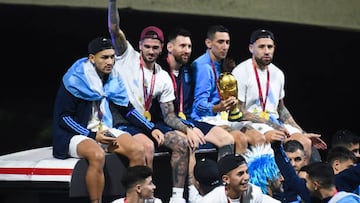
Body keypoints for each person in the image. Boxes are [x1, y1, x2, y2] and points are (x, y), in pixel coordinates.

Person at [52, 37, 163, 203]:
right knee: (96, 154)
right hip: (75, 133)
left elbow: (127, 109)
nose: (110, 61)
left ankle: (133, 200)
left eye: (112, 57)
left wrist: (151, 128)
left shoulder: (113, 77)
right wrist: (92, 135)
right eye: (104, 57)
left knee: (137, 150)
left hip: (104, 129)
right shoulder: (75, 79)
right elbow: (64, 118)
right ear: (92, 58)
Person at [108, 1, 199, 202]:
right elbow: (114, 29)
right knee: (147, 146)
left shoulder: (163, 77)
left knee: (182, 143)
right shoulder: (126, 57)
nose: (150, 51)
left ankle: (177, 197)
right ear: (140, 45)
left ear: (161, 49)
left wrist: (186, 129)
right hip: (124, 121)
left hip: (147, 123)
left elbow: (169, 116)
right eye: (147, 46)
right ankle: (146, 198)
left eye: (155, 47)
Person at [231, 29, 327, 162]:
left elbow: (281, 109)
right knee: (271, 137)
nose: (266, 51)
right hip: (249, 122)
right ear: (251, 48)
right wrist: (272, 125)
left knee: (305, 142)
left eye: (270, 47)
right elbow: (238, 111)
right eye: (261, 47)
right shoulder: (241, 71)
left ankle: (302, 181)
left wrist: (302, 131)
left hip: (274, 122)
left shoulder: (278, 74)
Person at [156, 27, 239, 160]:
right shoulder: (159, 71)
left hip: (188, 119)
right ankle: (190, 182)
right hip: (166, 121)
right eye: (183, 46)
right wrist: (187, 129)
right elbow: (168, 115)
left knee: (227, 139)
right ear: (169, 47)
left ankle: (225, 179)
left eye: (189, 46)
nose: (187, 50)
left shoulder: (188, 69)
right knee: (190, 143)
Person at [190, 24, 258, 154]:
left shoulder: (222, 64)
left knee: (258, 137)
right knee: (240, 139)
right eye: (220, 42)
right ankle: (236, 174)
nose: (225, 46)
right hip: (203, 119)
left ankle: (260, 174)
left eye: (227, 42)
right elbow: (199, 106)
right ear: (208, 43)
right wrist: (218, 108)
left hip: (221, 117)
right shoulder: (203, 67)